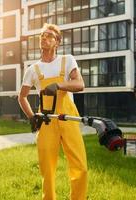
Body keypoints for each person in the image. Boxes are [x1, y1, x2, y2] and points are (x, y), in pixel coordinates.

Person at [18, 23, 87, 200]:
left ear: (57, 42)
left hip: (68, 117)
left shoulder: (67, 60)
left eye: (49, 36)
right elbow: (22, 97)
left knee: (80, 166)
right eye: (42, 35)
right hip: (46, 120)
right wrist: (32, 117)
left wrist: (59, 85)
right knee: (47, 168)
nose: (44, 38)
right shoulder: (33, 69)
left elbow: (79, 84)